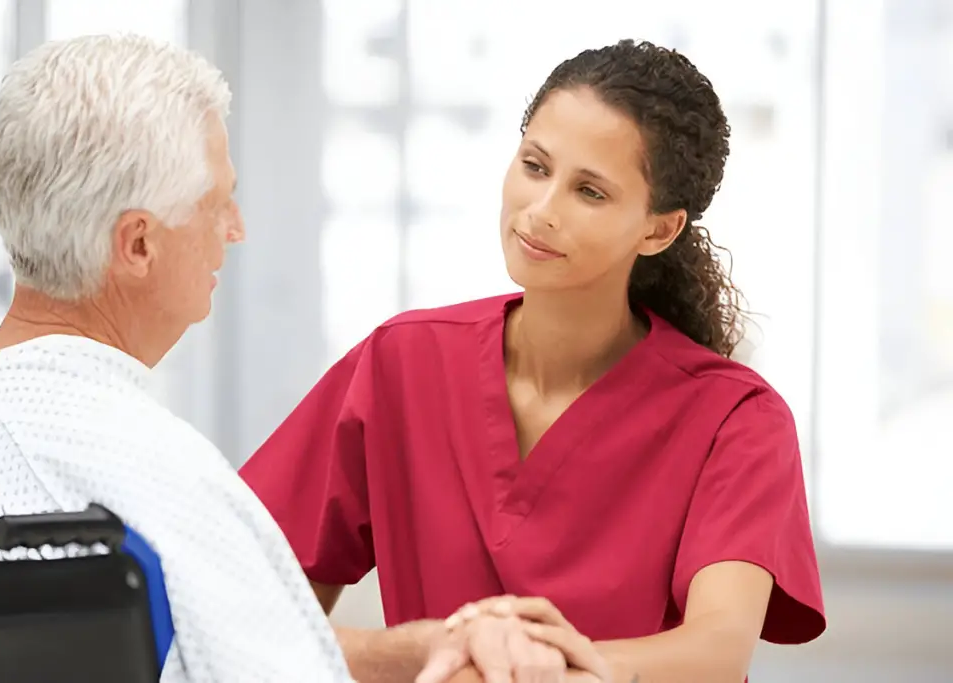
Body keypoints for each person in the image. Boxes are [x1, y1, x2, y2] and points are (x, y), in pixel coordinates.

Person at [241, 39, 826, 683]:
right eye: (536, 166)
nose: (540, 212)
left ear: (658, 229)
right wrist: (413, 656)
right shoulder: (400, 365)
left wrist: (538, 669)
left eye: (591, 192)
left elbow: (715, 652)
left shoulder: (737, 420)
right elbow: (249, 615)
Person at [0, 34, 353, 683]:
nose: (235, 228)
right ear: (137, 245)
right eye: (218, 202)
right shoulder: (165, 480)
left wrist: (404, 651)